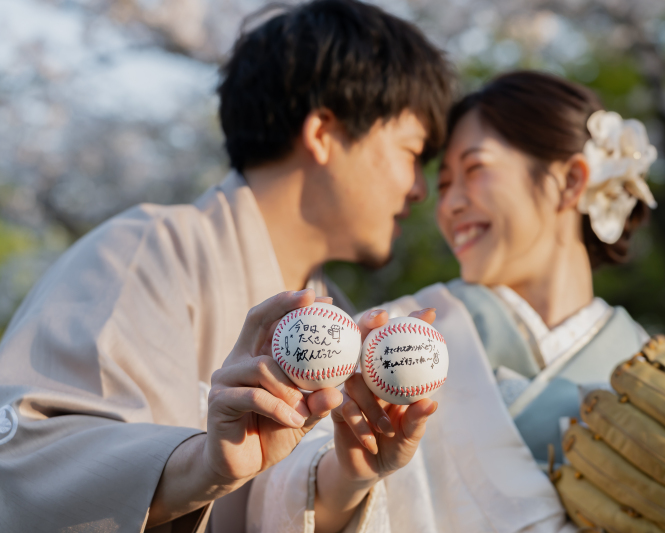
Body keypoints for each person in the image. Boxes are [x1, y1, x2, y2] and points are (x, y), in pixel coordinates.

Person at [0, 1, 453, 531]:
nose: (419, 189)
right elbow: (25, 460)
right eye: (410, 153)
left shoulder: (341, 324)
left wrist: (348, 478)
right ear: (323, 133)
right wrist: (204, 465)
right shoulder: (146, 251)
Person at [248, 71, 665, 532]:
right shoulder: (390, 339)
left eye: (474, 169)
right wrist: (349, 476)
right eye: (444, 184)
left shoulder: (651, 364)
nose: (449, 205)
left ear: (571, 180)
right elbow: (276, 497)